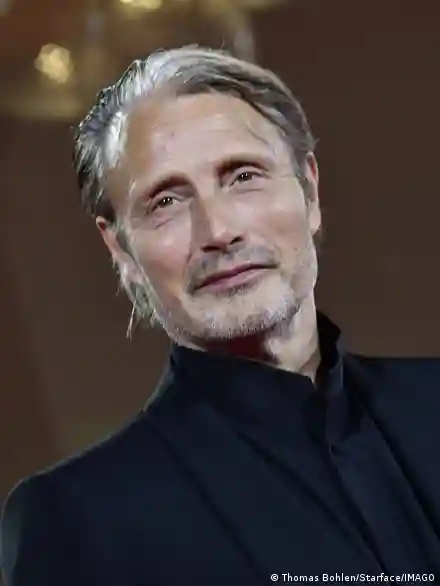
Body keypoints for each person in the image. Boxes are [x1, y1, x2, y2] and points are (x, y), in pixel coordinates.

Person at [1, 46, 440, 586]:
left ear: (310, 191)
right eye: (165, 201)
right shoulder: (78, 519)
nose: (219, 231)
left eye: (243, 176)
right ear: (120, 250)